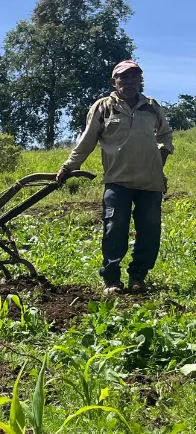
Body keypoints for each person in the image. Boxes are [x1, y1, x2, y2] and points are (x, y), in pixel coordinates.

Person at [56, 59, 174, 294]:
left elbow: (166, 135)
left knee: (150, 231)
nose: (129, 82)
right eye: (123, 77)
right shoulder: (103, 107)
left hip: (150, 183)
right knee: (114, 228)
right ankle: (111, 280)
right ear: (114, 81)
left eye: (134, 77)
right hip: (117, 181)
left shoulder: (151, 106)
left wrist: (161, 157)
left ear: (140, 80)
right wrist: (69, 166)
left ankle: (138, 277)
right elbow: (87, 140)